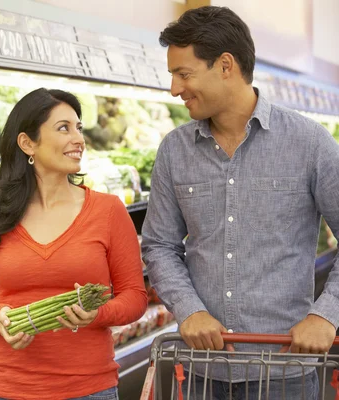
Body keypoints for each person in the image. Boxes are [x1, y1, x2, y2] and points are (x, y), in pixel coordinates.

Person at [142, 5, 339, 399]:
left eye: (184, 74)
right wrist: (189, 308)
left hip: (285, 371)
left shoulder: (310, 143)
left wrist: (326, 314)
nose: (175, 89)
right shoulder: (174, 151)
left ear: (226, 65)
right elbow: (159, 245)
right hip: (200, 371)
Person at [0, 88, 148, 400]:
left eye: (79, 128)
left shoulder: (108, 210)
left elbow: (134, 297)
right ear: (27, 143)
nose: (78, 139)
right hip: (9, 389)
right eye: (63, 128)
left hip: (89, 388)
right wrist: (0, 315)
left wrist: (97, 314)